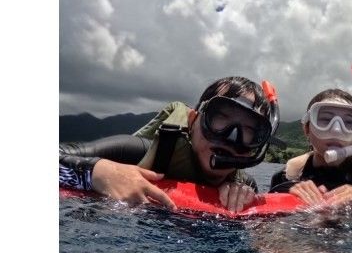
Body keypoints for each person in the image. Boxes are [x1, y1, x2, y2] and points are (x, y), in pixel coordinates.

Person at [59, 76, 280, 212]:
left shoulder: (245, 186)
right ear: (193, 120)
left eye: (249, 131)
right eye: (220, 118)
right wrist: (97, 173)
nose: (232, 137)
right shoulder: (133, 153)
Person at [268, 65, 352, 206]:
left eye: (349, 122)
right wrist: (289, 193)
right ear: (307, 129)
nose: (337, 130)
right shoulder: (286, 177)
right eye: (325, 119)